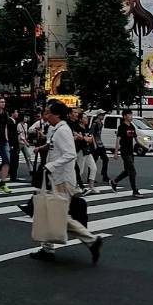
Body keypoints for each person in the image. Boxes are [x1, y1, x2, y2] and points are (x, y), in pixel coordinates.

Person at [29, 100, 103, 264]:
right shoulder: (57, 129)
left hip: (62, 179)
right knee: (52, 212)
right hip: (57, 177)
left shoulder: (62, 130)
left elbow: (70, 154)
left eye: (48, 112)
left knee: (58, 214)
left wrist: (50, 165)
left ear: (56, 115)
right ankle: (48, 248)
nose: (45, 115)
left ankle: (90, 240)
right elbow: (55, 146)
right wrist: (43, 148)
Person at [111, 109, 142, 196]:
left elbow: (136, 139)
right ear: (124, 116)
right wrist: (116, 152)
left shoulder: (132, 126)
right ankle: (135, 191)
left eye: (131, 115)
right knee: (132, 171)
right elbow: (118, 139)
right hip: (124, 152)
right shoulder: (122, 127)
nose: (131, 116)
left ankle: (114, 181)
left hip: (131, 151)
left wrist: (143, 146)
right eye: (129, 115)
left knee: (127, 171)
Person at [89, 111, 110, 183]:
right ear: (98, 115)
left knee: (105, 159)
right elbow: (91, 134)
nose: (103, 116)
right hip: (96, 145)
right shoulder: (95, 123)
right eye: (102, 115)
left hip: (100, 144)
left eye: (104, 114)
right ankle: (90, 177)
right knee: (93, 161)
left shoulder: (101, 123)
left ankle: (104, 175)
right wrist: (94, 144)